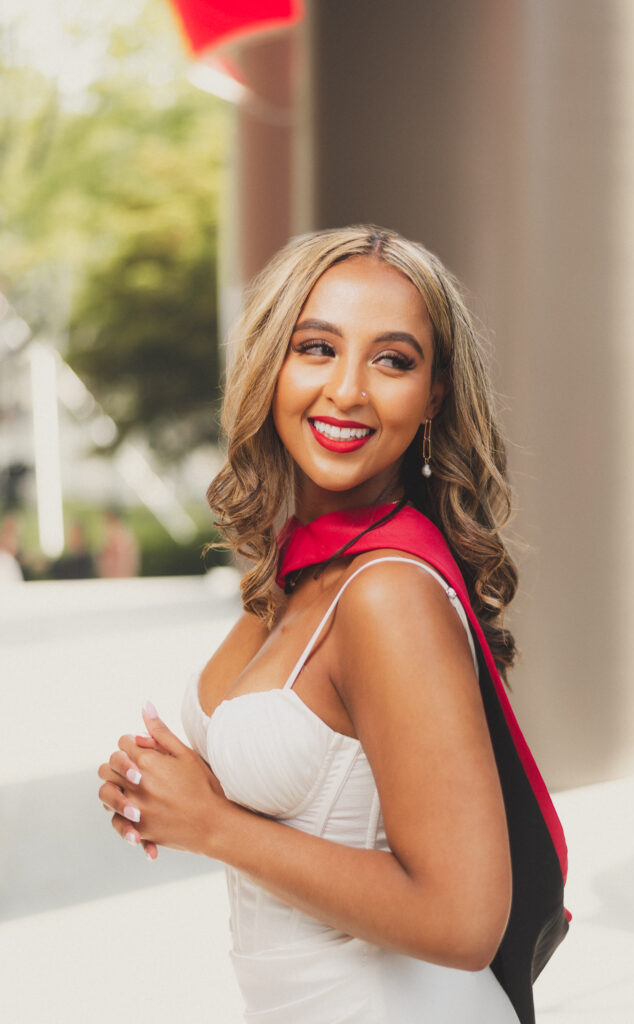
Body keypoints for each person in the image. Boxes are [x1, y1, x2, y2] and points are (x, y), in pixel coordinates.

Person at [98, 226, 569, 1024]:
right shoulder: (304, 569)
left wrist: (210, 824)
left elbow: (462, 919)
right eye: (316, 347)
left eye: (393, 360)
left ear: (434, 396)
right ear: (269, 361)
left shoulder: (388, 590)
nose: (348, 390)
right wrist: (164, 789)